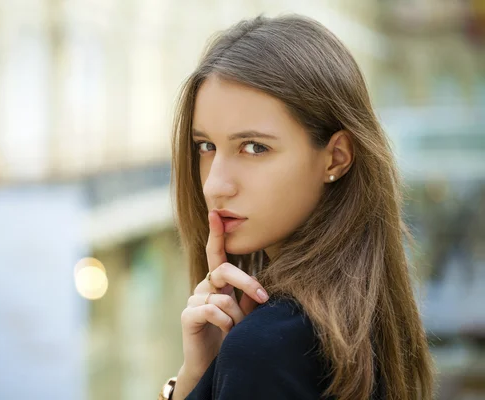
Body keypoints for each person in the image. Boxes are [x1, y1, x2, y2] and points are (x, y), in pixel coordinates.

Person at [158, 14, 434, 400]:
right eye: (206, 146)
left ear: (336, 157)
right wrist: (202, 374)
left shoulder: (267, 348)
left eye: (254, 147)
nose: (216, 184)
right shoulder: (362, 318)